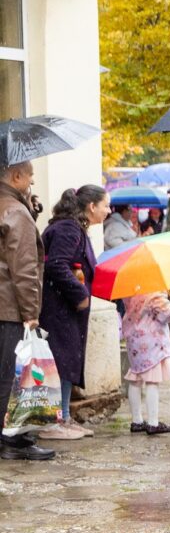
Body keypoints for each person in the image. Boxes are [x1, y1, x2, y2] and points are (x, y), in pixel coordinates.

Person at [37, 185, 110, 441]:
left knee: (67, 362)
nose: (108, 210)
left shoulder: (73, 228)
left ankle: (64, 417)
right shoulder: (68, 229)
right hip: (59, 310)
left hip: (65, 311)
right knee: (59, 362)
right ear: (92, 206)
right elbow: (56, 265)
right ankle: (52, 422)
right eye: (105, 205)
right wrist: (80, 296)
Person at [0, 161, 55, 461]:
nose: (33, 181)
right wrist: (31, 313)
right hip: (10, 309)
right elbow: (23, 268)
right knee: (12, 378)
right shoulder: (14, 211)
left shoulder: (13, 207)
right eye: (30, 176)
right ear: (16, 176)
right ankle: (14, 440)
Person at [122, 291, 170, 435]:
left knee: (135, 378)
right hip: (151, 341)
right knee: (152, 380)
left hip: (134, 339)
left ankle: (137, 421)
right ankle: (153, 423)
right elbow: (167, 314)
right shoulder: (153, 292)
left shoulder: (129, 290)